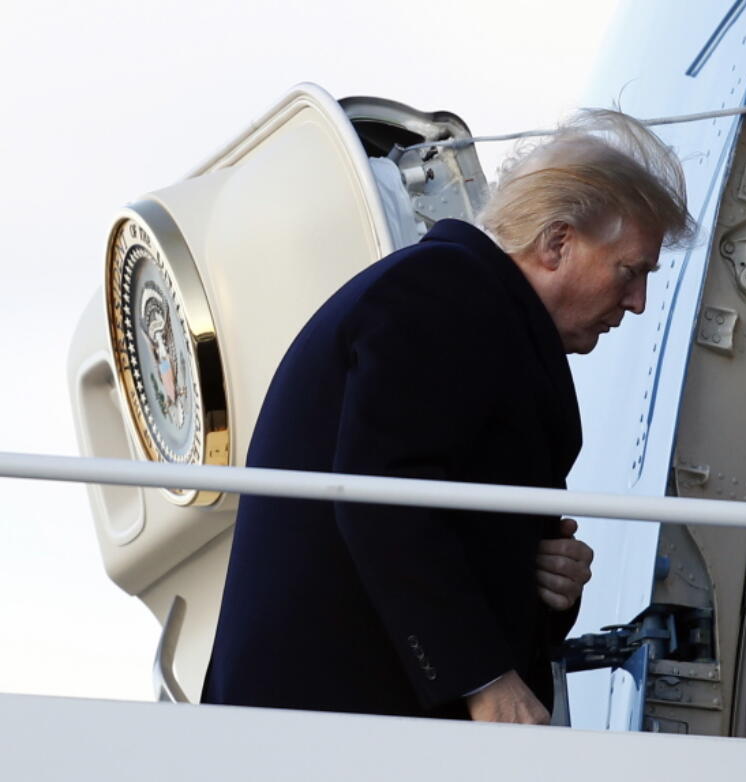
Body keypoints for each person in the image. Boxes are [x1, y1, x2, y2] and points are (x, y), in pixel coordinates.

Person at [202, 109, 694, 724]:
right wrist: (484, 679)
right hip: (334, 719)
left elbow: (433, 514)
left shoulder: (470, 307)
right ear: (557, 242)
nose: (639, 303)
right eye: (630, 271)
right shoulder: (441, 296)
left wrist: (538, 575)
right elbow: (382, 498)